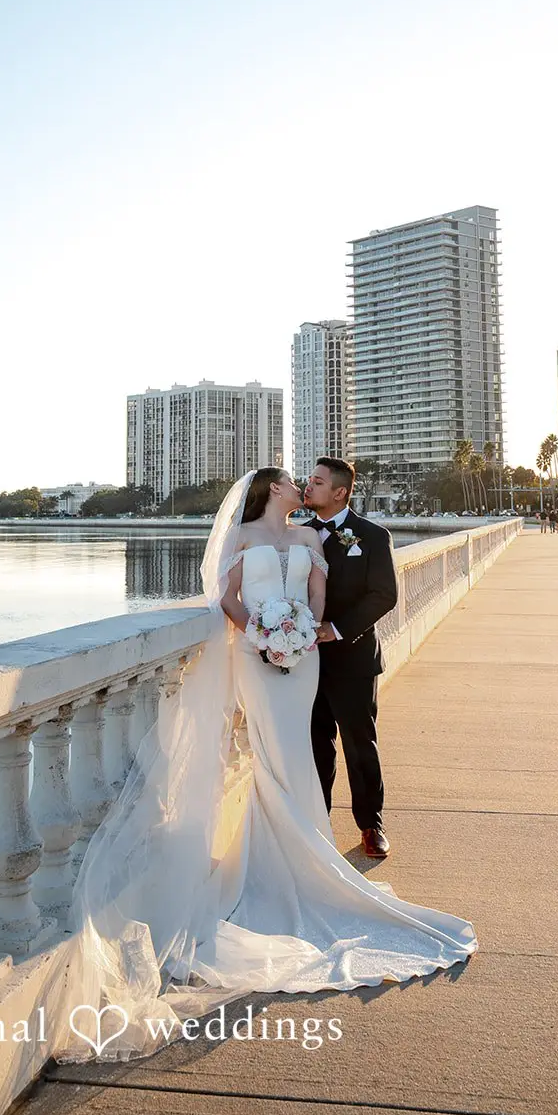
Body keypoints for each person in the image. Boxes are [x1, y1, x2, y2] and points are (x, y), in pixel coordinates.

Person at [51, 466, 476, 1064]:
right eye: (295, 480)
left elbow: (320, 598)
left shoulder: (311, 539)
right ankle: (291, 857)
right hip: (257, 654)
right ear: (271, 490)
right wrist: (258, 633)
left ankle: (321, 847)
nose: (303, 483)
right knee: (281, 753)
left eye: (313, 480)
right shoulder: (244, 537)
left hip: (307, 658)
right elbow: (225, 596)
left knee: (311, 751)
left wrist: (303, 634)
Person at [302, 456, 397, 859]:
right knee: (314, 745)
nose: (309, 487)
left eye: (318, 482)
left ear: (340, 492)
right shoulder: (296, 535)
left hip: (354, 659)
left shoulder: (372, 536)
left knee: (360, 744)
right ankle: (317, 823)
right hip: (304, 663)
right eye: (309, 480)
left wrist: (336, 629)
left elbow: (384, 595)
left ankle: (370, 825)